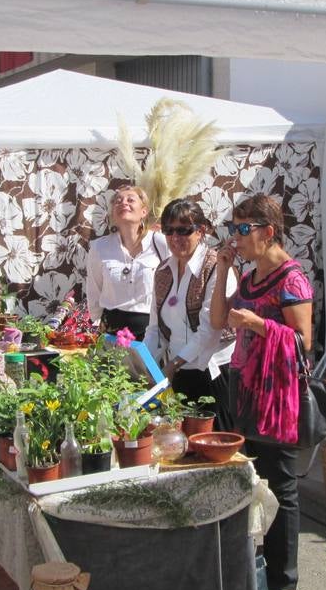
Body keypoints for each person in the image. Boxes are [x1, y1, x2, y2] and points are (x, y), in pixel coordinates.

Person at [211, 193, 314, 590]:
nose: (235, 238)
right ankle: (257, 570)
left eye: (242, 230)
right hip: (246, 387)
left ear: (267, 232)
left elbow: (304, 344)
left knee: (281, 484)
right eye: (232, 230)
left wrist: (258, 323)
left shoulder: (292, 280)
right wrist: (222, 273)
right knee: (253, 480)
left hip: (278, 395)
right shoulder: (251, 278)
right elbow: (218, 320)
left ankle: (284, 582)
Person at [144, 198, 236, 429]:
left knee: (214, 443)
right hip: (177, 370)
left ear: (200, 231)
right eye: (169, 231)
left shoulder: (217, 266)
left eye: (184, 231)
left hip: (212, 370)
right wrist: (145, 363)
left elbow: (210, 329)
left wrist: (173, 365)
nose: (176, 238)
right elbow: (155, 327)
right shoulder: (163, 270)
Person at [84, 184, 166, 341]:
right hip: (111, 331)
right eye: (118, 201)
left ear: (144, 211)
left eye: (131, 200)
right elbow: (94, 292)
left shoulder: (160, 243)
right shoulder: (99, 247)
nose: (123, 203)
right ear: (113, 214)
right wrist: (97, 328)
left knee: (146, 366)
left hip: (151, 332)